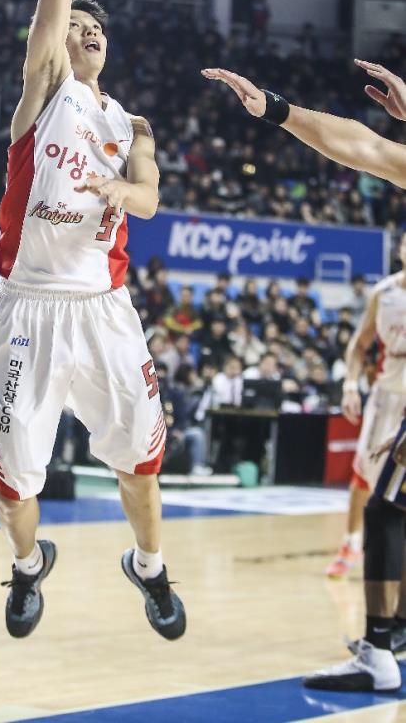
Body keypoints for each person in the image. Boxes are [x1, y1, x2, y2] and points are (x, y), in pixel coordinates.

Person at [0, 0, 185, 643]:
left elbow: (151, 195)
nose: (85, 29)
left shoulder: (132, 125)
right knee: (16, 481)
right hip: (26, 307)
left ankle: (149, 566)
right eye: (75, 25)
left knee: (141, 459)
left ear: (109, 48)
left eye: (97, 27)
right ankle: (28, 566)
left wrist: (125, 193)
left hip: (102, 309)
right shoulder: (44, 93)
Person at [203, 58, 406, 691]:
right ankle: (390, 634)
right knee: (388, 503)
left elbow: (369, 147)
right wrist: (277, 108)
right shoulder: (387, 292)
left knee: (388, 508)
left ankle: (381, 650)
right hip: (391, 386)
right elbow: (363, 146)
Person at [326, 242, 406, 579]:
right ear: (401, 250)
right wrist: (349, 385)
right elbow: (359, 345)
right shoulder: (383, 293)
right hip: (387, 395)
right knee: (363, 473)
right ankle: (351, 543)